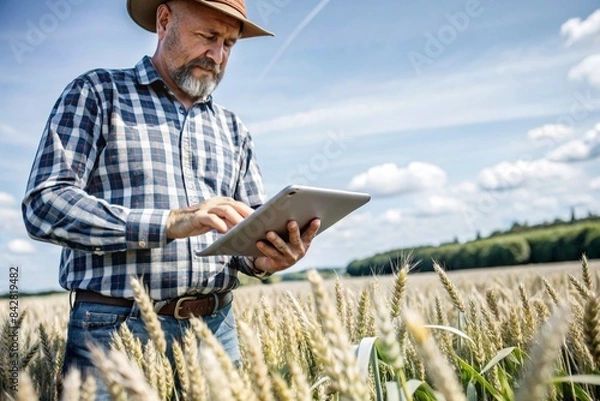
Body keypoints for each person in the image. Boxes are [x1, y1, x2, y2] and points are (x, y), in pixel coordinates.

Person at [22, 0, 320, 397]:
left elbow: (248, 230)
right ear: (165, 22)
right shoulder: (97, 92)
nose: (217, 55)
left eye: (229, 44)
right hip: (115, 330)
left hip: (217, 330)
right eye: (208, 37)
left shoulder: (234, 129)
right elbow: (45, 204)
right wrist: (167, 223)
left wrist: (264, 257)